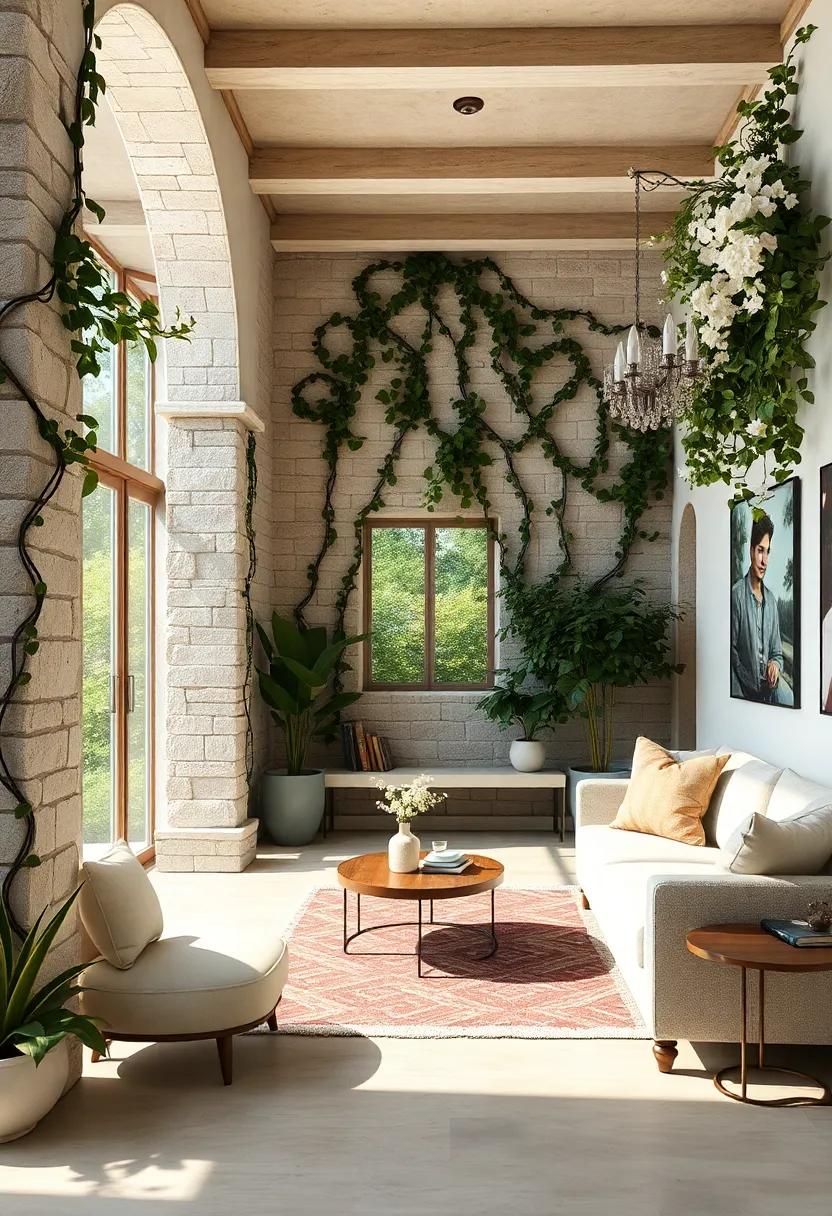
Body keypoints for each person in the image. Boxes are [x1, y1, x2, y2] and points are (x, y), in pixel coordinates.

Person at [730, 512, 794, 706]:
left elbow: (776, 652)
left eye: (767, 552)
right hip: (743, 688)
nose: (764, 560)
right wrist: (749, 684)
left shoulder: (772, 602)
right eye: (760, 550)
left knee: (788, 697)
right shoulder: (737, 595)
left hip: (768, 689)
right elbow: (731, 652)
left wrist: (775, 664)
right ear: (751, 551)